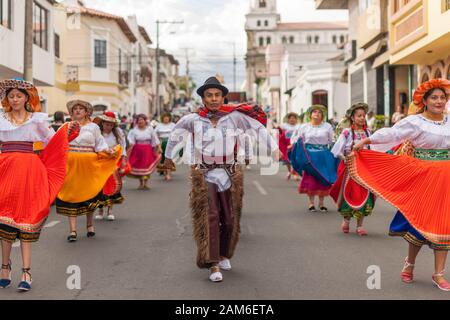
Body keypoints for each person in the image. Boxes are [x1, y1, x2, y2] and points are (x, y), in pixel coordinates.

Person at [163, 76, 278, 282]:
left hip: (230, 173)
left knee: (230, 218)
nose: (214, 99)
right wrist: (168, 156)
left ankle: (224, 254)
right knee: (211, 216)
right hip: (204, 173)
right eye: (209, 95)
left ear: (223, 97)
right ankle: (213, 263)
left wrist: (275, 149)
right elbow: (175, 135)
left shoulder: (234, 117)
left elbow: (258, 129)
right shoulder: (193, 119)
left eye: (217, 95)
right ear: (203, 98)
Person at [351, 78, 450, 290]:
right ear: (425, 100)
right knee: (418, 223)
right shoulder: (415, 122)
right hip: (423, 177)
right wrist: (366, 141)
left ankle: (439, 273)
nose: (439, 101)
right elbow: (392, 133)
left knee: (445, 224)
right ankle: (409, 264)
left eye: (443, 97)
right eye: (434, 97)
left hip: (446, 178)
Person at [0, 78, 79, 291]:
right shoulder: (1, 119)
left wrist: (65, 131)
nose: (15, 99)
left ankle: (26, 272)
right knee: (5, 219)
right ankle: (5, 267)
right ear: (6, 98)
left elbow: (53, 142)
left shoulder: (37, 120)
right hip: (5, 168)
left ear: (27, 98)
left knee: (27, 217)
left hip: (29, 171)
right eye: (11, 96)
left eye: (18, 95)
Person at [56, 100, 121, 242]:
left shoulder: (93, 127)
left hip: (88, 164)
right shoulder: (66, 126)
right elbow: (58, 143)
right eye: (75, 109)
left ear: (87, 112)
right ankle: (72, 230)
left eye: (81, 109)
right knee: (70, 194)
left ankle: (89, 225)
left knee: (89, 193)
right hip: (71, 163)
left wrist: (108, 151)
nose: (78, 111)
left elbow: (100, 144)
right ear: (71, 113)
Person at [331, 103, 375, 236]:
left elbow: (374, 149)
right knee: (349, 194)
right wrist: (345, 158)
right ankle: (346, 220)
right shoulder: (346, 133)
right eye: (359, 116)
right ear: (352, 117)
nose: (362, 118)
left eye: (363, 116)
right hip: (350, 169)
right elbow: (336, 150)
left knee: (365, 195)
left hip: (365, 169)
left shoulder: (368, 132)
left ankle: (360, 226)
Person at [290, 105, 338, 213]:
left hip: (323, 155)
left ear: (322, 115)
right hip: (309, 156)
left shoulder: (327, 127)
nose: (317, 114)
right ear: (310, 114)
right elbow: (298, 139)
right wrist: (292, 146)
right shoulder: (304, 127)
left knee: (323, 178)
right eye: (314, 112)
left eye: (319, 112)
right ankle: (311, 203)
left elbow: (331, 141)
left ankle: (321, 204)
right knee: (311, 178)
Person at [95, 111, 128, 221]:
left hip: (113, 162)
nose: (108, 127)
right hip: (100, 162)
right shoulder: (97, 133)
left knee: (111, 186)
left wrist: (123, 159)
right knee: (100, 187)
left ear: (113, 125)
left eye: (111, 125)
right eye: (106, 124)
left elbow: (122, 146)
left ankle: (110, 210)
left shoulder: (117, 133)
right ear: (102, 123)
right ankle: (100, 210)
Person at [127, 114, 162, 190]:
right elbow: (131, 142)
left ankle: (145, 183)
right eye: (139, 120)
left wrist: (158, 148)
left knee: (146, 165)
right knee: (139, 166)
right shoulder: (134, 131)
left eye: (142, 120)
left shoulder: (150, 129)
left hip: (147, 150)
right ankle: (140, 183)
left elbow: (155, 139)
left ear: (145, 121)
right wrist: (128, 152)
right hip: (137, 150)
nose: (140, 121)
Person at [279, 112, 301, 180]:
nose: (292, 120)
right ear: (288, 119)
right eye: (291, 118)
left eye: (294, 118)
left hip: (295, 144)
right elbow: (280, 133)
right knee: (287, 159)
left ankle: (295, 173)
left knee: (295, 159)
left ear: (296, 119)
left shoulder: (299, 126)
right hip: (286, 144)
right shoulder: (284, 126)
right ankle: (289, 171)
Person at [155, 113, 176, 181]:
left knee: (169, 158)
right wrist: (157, 144)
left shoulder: (173, 125)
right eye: (165, 117)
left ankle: (168, 173)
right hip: (162, 143)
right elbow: (154, 134)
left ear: (169, 118)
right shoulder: (159, 125)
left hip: (170, 143)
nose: (166, 119)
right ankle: (165, 171)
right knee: (162, 158)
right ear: (162, 118)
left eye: (167, 117)